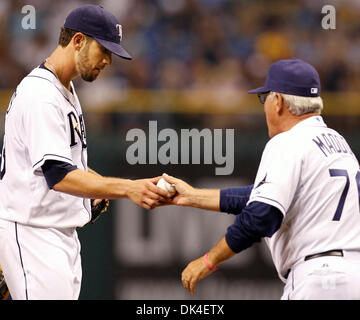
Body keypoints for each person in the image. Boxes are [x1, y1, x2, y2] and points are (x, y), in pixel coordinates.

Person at [0, 5, 171, 300]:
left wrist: (98, 185)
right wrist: (128, 188)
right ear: (78, 40)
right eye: (103, 50)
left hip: (54, 234)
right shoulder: (41, 96)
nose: (107, 60)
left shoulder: (62, 88)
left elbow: (65, 166)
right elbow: (59, 176)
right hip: (34, 235)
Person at [160, 58, 360, 299]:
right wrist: (193, 196)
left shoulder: (287, 142)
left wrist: (208, 260)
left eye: (264, 98)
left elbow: (262, 214)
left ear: (278, 101)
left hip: (320, 279)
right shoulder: (338, 143)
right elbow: (260, 196)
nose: (264, 106)